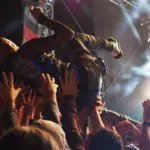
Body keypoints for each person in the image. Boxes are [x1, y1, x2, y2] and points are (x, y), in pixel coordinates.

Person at [0, 6, 123, 109]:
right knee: (75, 38)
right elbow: (67, 34)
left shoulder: (11, 81)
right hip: (86, 76)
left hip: (80, 102)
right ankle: (112, 46)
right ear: (9, 45)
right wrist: (41, 18)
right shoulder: (26, 51)